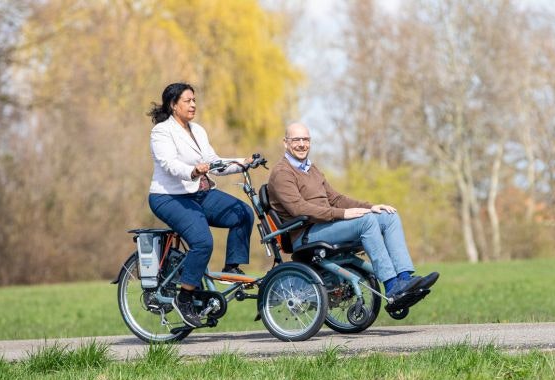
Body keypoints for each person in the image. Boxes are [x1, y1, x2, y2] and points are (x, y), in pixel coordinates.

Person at [267, 122, 439, 311]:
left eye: (306, 139)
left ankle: (405, 280)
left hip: (325, 226)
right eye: (296, 140)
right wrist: (342, 214)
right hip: (305, 233)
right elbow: (299, 209)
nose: (302, 144)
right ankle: (391, 286)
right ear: (285, 143)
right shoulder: (282, 173)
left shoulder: (311, 169)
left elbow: (337, 199)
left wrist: (372, 207)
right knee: (366, 222)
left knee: (388, 215)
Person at [147, 82, 254, 327]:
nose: (193, 104)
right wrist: (193, 171)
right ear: (174, 105)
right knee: (202, 241)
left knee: (243, 213)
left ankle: (231, 269)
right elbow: (168, 165)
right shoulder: (162, 132)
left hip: (199, 194)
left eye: (194, 100)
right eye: (187, 100)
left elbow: (214, 162)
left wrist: (242, 163)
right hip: (169, 197)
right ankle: (184, 297)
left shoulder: (198, 130)